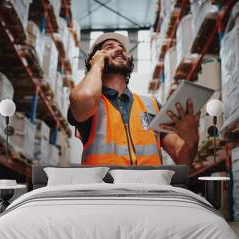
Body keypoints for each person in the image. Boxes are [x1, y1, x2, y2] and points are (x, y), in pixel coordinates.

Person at [68, 32, 200, 166]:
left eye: (122, 48)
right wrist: (96, 65)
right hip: (104, 187)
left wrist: (192, 140)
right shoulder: (91, 102)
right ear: (96, 57)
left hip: (150, 187)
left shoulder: (152, 105)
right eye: (109, 47)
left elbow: (183, 159)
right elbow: (85, 97)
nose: (119, 49)